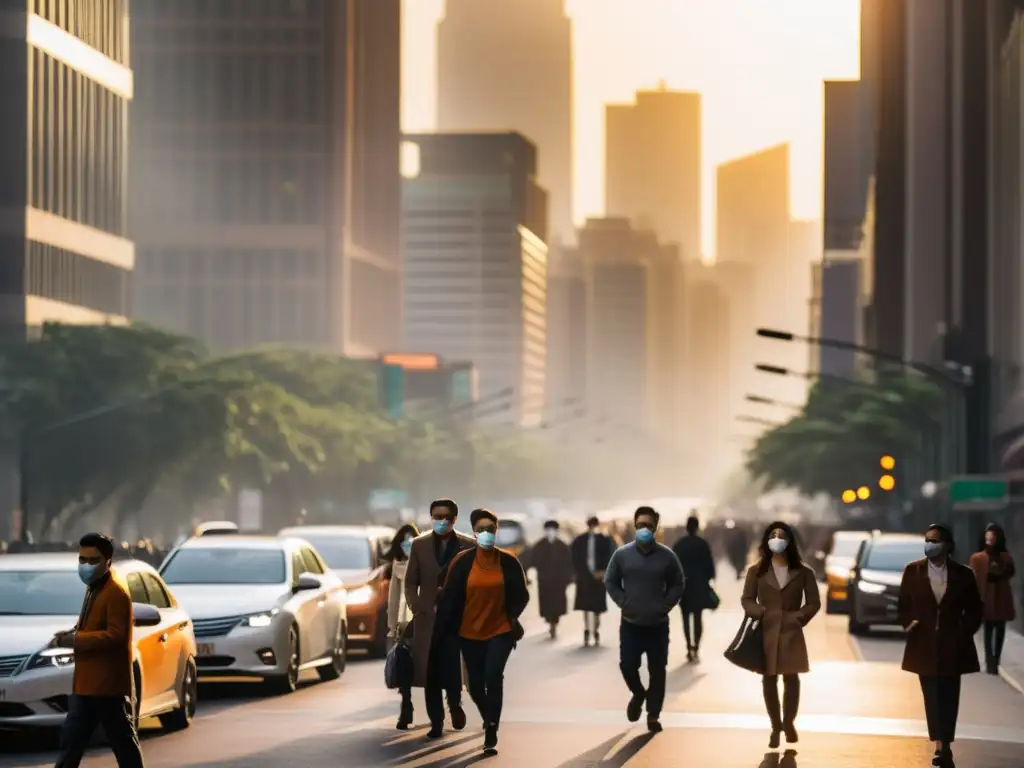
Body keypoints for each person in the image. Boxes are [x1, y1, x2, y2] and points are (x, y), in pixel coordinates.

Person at [434, 509, 529, 755]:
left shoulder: (508, 562)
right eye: (481, 529)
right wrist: (443, 631)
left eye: (491, 529)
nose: (487, 534)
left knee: (493, 675)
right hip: (469, 632)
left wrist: (510, 614)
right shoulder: (462, 563)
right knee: (475, 685)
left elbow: (522, 594)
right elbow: (449, 598)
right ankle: (488, 716)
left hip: (500, 630)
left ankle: (491, 730)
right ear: (474, 533)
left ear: (497, 531)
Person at [53, 533, 145, 768]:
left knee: (120, 739)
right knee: (73, 740)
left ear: (108, 561)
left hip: (106, 684)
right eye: (82, 559)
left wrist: (77, 640)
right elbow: (91, 626)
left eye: (92, 561)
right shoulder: (94, 588)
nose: (85, 566)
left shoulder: (116, 593)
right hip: (88, 683)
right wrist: (70, 635)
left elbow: (116, 635)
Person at [900, 524, 983, 767]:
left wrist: (964, 631)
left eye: (935, 541)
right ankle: (939, 744)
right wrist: (909, 624)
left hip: (953, 644)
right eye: (927, 540)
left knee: (949, 694)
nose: (930, 544)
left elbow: (975, 608)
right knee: (932, 696)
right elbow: (903, 603)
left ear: (947, 546)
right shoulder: (913, 570)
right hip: (923, 643)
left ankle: (946, 744)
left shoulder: (963, 574)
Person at [604, 506, 685, 733]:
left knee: (658, 670)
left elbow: (678, 582)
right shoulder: (622, 555)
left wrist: (665, 604)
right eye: (640, 525)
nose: (644, 529)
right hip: (631, 623)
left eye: (648, 525)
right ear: (634, 525)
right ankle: (638, 693)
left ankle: (653, 715)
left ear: (656, 527)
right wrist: (623, 601)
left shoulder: (667, 557)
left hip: (658, 625)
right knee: (627, 665)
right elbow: (610, 581)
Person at [741, 521, 820, 750]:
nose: (777, 539)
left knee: (791, 678)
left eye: (781, 535)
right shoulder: (756, 571)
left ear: (790, 541)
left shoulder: (804, 572)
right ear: (767, 541)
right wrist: (760, 613)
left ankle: (789, 721)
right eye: (773, 535)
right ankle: (775, 725)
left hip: (791, 632)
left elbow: (814, 602)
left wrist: (799, 617)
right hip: (767, 630)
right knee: (769, 679)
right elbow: (747, 599)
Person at [404, 499, 475, 739]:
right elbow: (411, 580)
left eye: (445, 516)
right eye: (436, 516)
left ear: (454, 519)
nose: (441, 521)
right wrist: (416, 606)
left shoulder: (468, 545)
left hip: (456, 620)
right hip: (428, 620)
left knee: (452, 668)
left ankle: (454, 703)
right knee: (429, 672)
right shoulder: (419, 545)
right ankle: (436, 720)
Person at [968, 523, 1016, 675]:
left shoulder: (1006, 558)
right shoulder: (978, 558)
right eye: (988, 536)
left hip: (1001, 599)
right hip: (986, 598)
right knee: (988, 632)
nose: (990, 539)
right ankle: (990, 662)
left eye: (993, 537)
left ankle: (996, 660)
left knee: (1000, 631)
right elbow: (974, 577)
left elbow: (1010, 572)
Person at [386, 522, 420, 729]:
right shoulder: (396, 567)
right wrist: (392, 627)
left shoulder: (426, 563)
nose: (407, 545)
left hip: (426, 620)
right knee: (404, 665)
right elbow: (393, 599)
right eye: (404, 542)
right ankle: (406, 706)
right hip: (405, 624)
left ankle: (451, 704)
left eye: (411, 541)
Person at [672, 514, 716, 662]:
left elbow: (673, 565)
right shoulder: (702, 543)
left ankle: (688, 646)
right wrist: (709, 578)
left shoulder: (680, 544)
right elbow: (709, 564)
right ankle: (696, 646)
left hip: (684, 585)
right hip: (699, 584)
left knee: (685, 616)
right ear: (697, 527)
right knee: (697, 616)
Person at [571, 516, 616, 646]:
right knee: (585, 605)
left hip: (598, 576)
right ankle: (587, 629)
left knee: (597, 606)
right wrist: (580, 573)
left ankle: (595, 628)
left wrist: (603, 571)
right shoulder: (579, 540)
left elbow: (609, 556)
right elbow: (575, 558)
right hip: (584, 576)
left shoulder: (604, 540)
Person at [525, 520, 574, 638]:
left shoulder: (562, 545)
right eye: (548, 529)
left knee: (557, 604)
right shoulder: (539, 545)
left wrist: (570, 577)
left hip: (559, 580)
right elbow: (531, 560)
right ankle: (550, 621)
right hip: (545, 580)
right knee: (547, 603)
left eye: (553, 529)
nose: (551, 532)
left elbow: (570, 562)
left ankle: (554, 623)